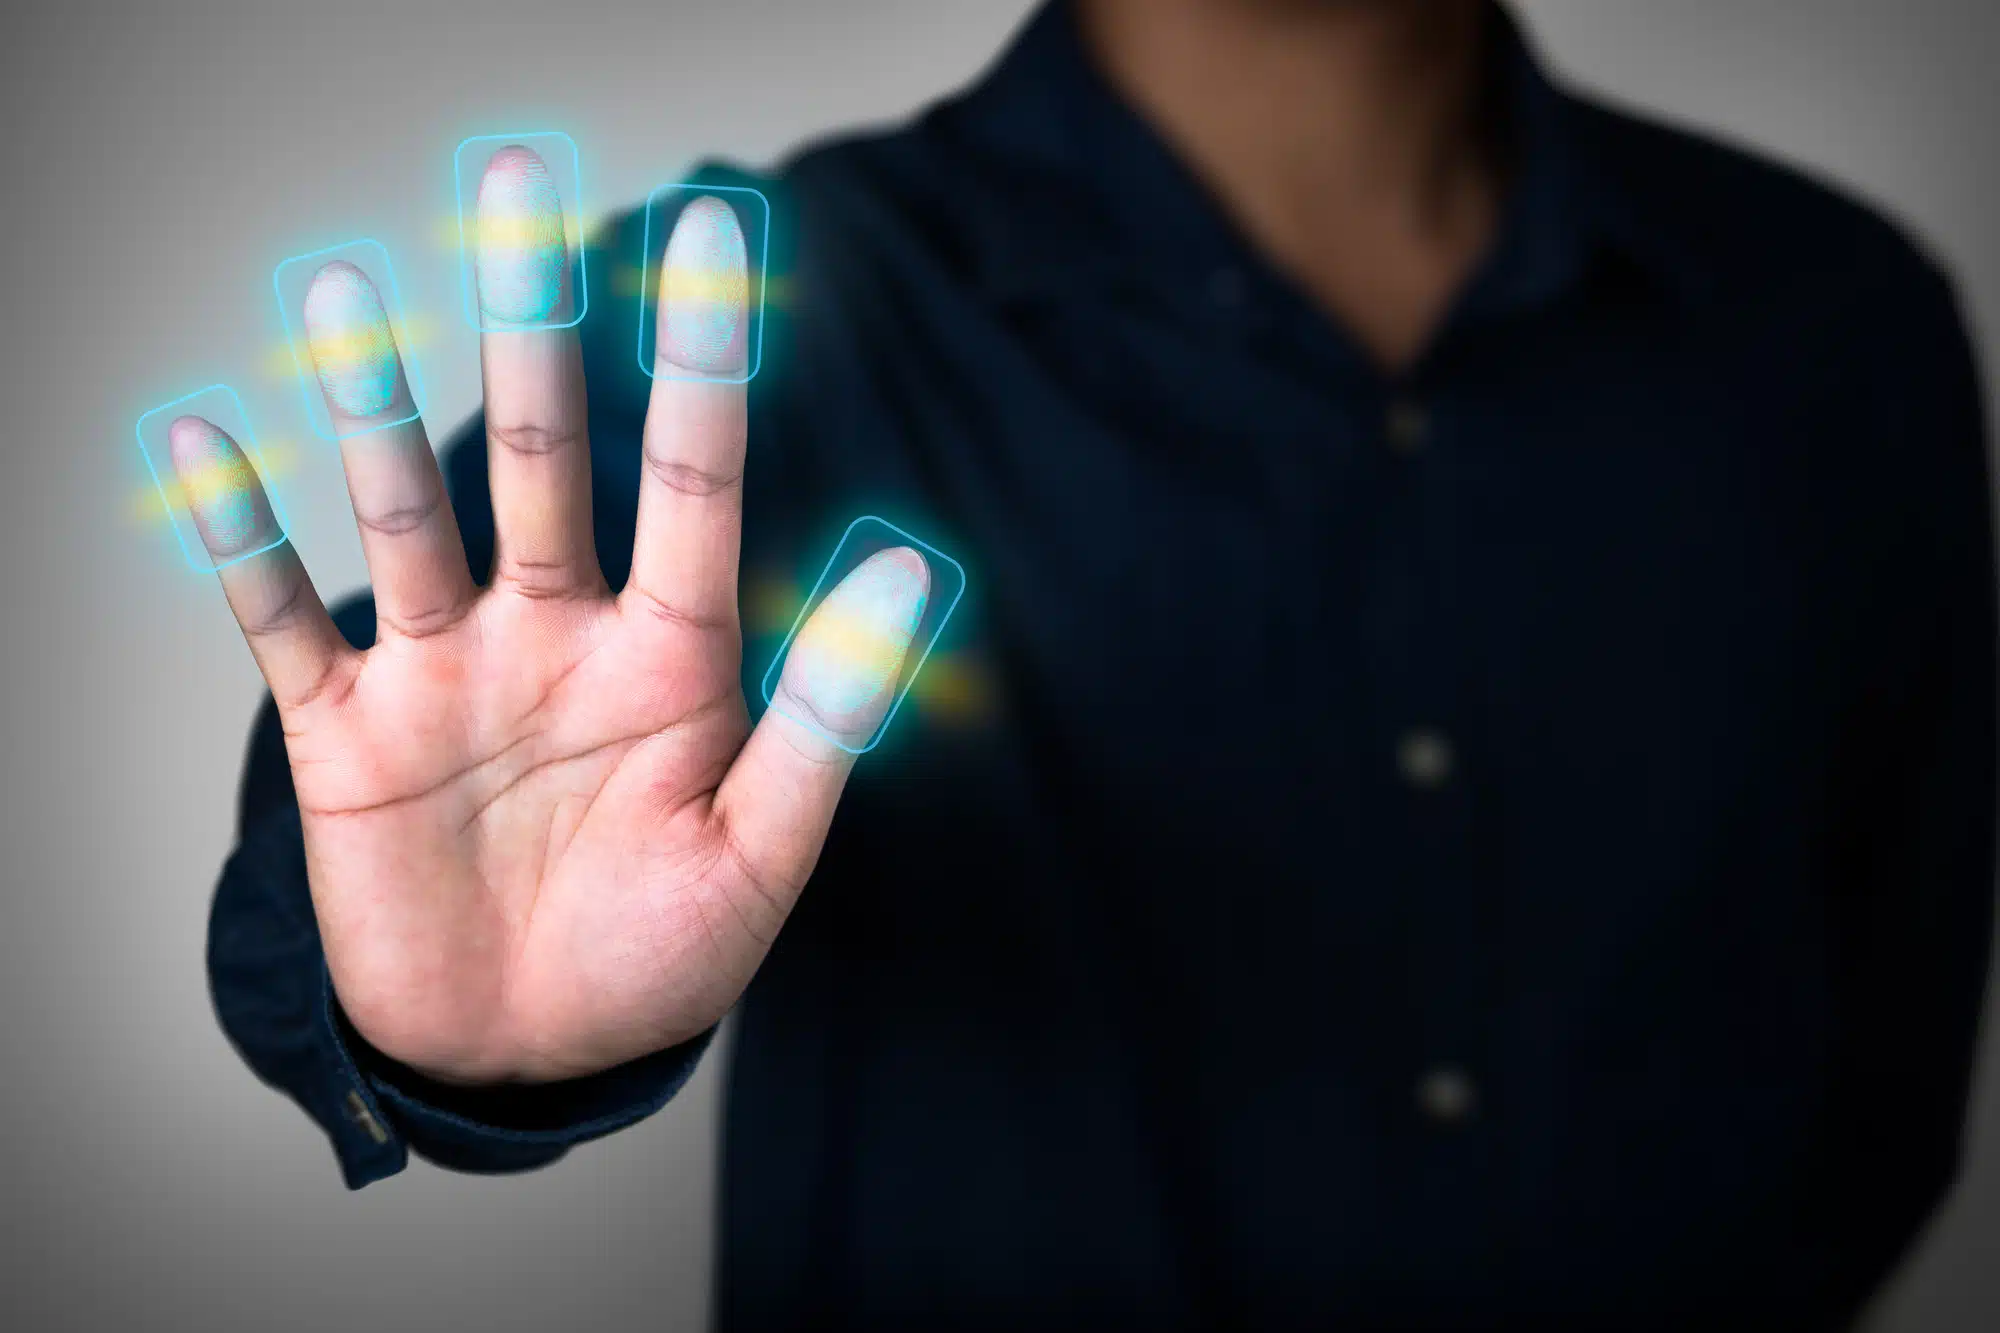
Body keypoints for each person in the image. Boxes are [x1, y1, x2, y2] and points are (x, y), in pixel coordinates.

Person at [190, 0, 1994, 1327]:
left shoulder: (1837, 330)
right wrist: (447, 1028)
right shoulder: (757, 311)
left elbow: (1882, 1066)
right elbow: (374, 850)